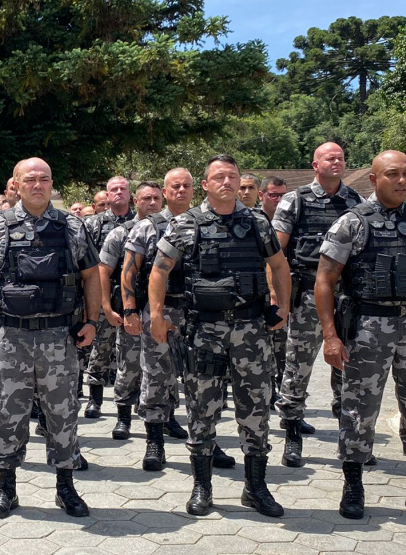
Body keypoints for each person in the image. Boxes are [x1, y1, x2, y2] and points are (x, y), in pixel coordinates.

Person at [316, 150, 406, 521]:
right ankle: (353, 486)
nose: (402, 181)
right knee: (359, 408)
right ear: (376, 179)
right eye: (393, 174)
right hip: (368, 328)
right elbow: (325, 281)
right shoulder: (352, 223)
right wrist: (331, 337)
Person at [149, 154, 291, 518]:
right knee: (202, 406)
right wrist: (156, 316)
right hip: (205, 330)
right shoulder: (186, 223)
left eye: (233, 176)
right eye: (219, 177)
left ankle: (256, 488)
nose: (227, 182)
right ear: (207, 184)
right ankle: (202, 486)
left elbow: (279, 266)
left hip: (250, 329)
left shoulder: (258, 223)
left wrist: (283, 307)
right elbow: (159, 270)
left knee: (256, 406)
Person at [0, 157, 99, 519]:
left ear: (52, 184)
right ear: (16, 184)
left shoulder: (72, 226)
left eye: (44, 180)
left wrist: (93, 321)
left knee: (62, 412)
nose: (38, 185)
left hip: (60, 335)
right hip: (12, 337)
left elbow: (91, 276)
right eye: (30, 180)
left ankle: (65, 488)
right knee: (8, 412)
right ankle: (6, 487)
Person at [122, 168, 238, 470]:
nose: (182, 191)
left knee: (204, 380)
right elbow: (129, 272)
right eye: (176, 186)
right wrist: (130, 310)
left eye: (187, 186)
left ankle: (207, 443)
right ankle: (155, 443)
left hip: (199, 312)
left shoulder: (208, 222)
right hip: (161, 311)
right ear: (165, 190)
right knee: (157, 377)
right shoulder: (147, 227)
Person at [273, 142, 364, 468]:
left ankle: (350, 438)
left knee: (349, 367)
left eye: (341, 157)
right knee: (298, 367)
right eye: (330, 157)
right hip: (307, 295)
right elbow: (275, 252)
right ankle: (292, 433)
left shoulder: (356, 201)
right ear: (315, 164)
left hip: (346, 297)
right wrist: (277, 297)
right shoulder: (295, 201)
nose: (337, 161)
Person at [98, 181, 163, 440]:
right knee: (129, 363)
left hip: (163, 310)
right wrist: (106, 306)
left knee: (163, 367)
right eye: (146, 198)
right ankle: (123, 416)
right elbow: (103, 271)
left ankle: (164, 418)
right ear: (136, 202)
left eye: (157, 198)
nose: (153, 203)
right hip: (131, 308)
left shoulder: (172, 228)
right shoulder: (121, 233)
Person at [82, 176, 135, 418]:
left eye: (123, 189)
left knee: (132, 352)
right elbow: (86, 264)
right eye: (114, 189)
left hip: (133, 295)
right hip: (104, 292)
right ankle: (95, 399)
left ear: (130, 194)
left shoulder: (140, 221)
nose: (118, 193)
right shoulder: (94, 224)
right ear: (107, 193)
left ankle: (132, 403)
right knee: (100, 347)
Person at [258, 176, 289, 411]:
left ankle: (282, 398)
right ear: (262, 195)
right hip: (261, 298)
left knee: (283, 352)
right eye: (273, 195)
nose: (278, 200)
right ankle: (267, 396)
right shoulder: (254, 222)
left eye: (282, 195)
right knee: (263, 351)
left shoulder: (289, 222)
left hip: (285, 297)